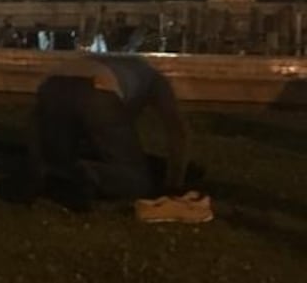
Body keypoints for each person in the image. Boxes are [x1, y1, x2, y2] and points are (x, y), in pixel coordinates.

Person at [28, 55, 192, 212]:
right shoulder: (153, 77)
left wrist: (37, 157)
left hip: (53, 83)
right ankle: (86, 173)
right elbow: (176, 129)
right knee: (137, 180)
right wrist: (174, 184)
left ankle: (54, 174)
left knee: (61, 159)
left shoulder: (113, 64)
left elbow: (35, 120)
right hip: (99, 88)